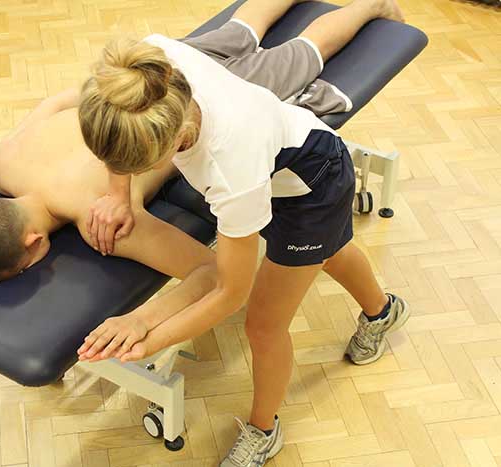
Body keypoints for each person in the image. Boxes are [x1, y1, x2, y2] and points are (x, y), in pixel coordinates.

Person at [75, 0, 409, 465]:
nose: (132, 172)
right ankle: (383, 312)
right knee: (328, 252)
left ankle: (263, 430)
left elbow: (231, 291)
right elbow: (116, 148)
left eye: (141, 165)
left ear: (174, 142)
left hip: (311, 183)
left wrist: (149, 336)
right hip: (279, 161)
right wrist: (118, 196)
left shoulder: (229, 166)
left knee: (264, 323)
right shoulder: (145, 71)